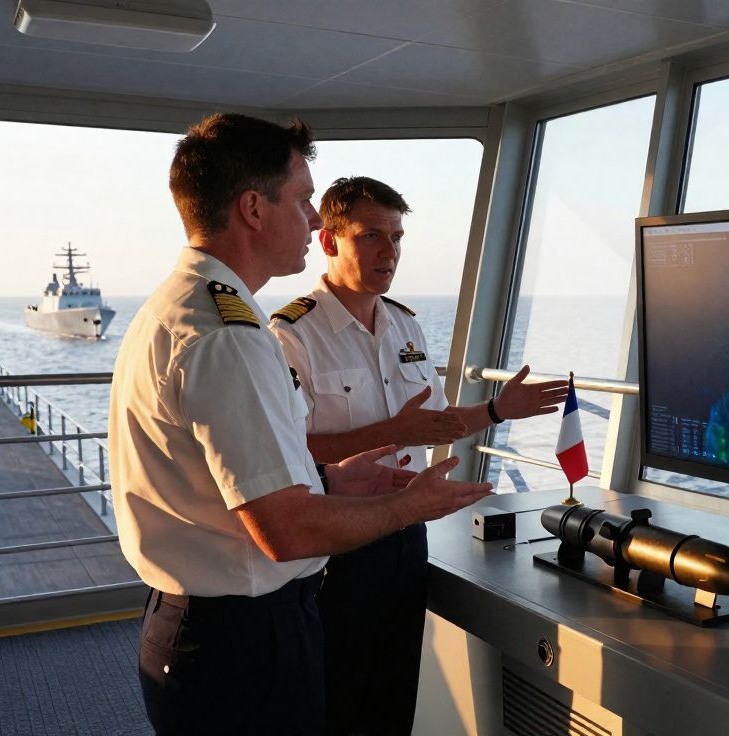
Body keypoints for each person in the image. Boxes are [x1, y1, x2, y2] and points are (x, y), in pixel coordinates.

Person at [108, 115, 492, 735]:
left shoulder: (189, 307)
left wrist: (331, 481)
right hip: (241, 638)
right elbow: (283, 531)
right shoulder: (227, 336)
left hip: (208, 622)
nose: (314, 220)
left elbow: (227, 480)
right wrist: (410, 506)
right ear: (254, 209)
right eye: (303, 198)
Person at [270, 176, 568, 735]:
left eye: (398, 237)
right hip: (337, 542)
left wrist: (499, 409)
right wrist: (390, 429)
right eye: (371, 236)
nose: (390, 252)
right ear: (330, 242)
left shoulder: (404, 324)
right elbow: (287, 451)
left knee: (392, 696)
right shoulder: (293, 335)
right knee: (335, 702)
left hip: (407, 532)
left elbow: (436, 424)